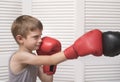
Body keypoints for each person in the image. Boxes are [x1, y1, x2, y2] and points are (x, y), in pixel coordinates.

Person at [8, 15, 103, 82]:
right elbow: (51, 59)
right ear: (20, 39)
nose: (40, 40)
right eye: (35, 37)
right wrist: (74, 50)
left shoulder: (34, 57)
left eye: (41, 36)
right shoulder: (20, 56)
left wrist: (49, 67)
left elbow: (47, 80)